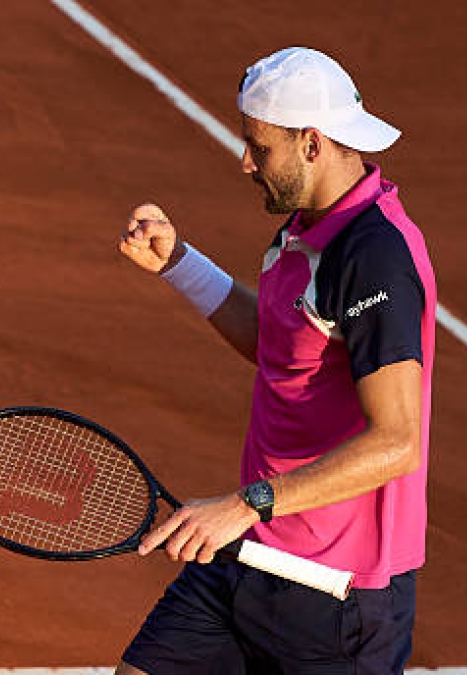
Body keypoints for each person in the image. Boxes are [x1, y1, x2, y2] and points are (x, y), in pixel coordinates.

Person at [115, 47, 437, 674]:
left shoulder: (374, 256)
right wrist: (179, 264)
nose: (245, 163)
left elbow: (398, 443)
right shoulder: (303, 230)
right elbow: (280, 352)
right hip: (251, 555)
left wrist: (244, 504)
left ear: (311, 144)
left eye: (259, 147)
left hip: (338, 601)